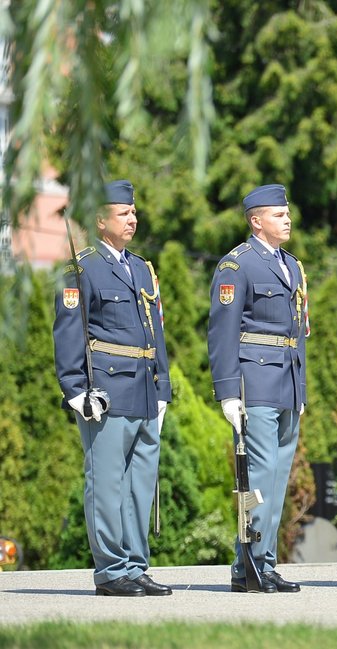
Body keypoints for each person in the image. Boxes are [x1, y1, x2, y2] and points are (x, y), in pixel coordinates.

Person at [53, 180, 172, 597]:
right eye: (124, 213)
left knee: (141, 485)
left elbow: (155, 331)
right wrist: (74, 389)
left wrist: (163, 390)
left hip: (143, 390)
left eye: (134, 212)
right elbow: (69, 331)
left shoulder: (141, 268)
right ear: (101, 220)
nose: (133, 219)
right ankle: (110, 571)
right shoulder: (81, 268)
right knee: (106, 483)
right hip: (105, 391)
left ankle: (135, 566)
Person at [208, 184, 308, 594]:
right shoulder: (238, 265)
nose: (287, 220)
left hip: (286, 380)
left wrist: (300, 386)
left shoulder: (292, 265)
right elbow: (222, 331)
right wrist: (229, 391)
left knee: (278, 476)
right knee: (261, 477)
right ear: (256, 221)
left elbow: (298, 331)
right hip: (256, 378)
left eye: (287, 214)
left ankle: (261, 562)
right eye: (278, 215)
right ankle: (248, 561)